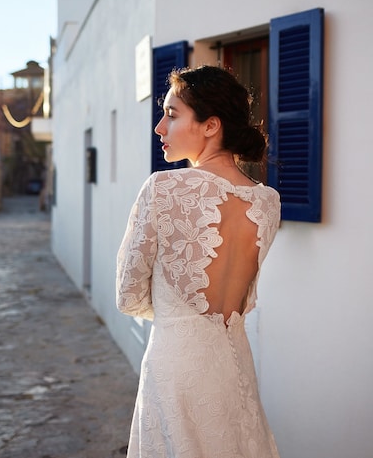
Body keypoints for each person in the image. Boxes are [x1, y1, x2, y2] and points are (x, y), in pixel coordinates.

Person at [116, 65, 282, 457]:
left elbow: (128, 296)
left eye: (172, 115)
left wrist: (176, 313)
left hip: (177, 365)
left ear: (211, 126)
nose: (159, 127)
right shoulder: (267, 201)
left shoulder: (164, 188)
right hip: (234, 363)